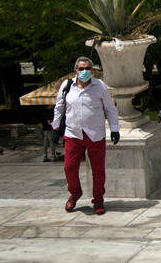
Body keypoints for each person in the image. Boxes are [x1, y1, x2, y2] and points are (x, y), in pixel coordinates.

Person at [52, 56, 120, 215]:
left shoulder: (99, 86)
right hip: (73, 133)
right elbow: (59, 107)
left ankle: (98, 200)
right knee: (69, 167)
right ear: (76, 70)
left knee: (98, 170)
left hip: (95, 134)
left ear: (92, 70)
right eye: (81, 69)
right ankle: (75, 193)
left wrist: (114, 129)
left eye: (88, 68)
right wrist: (55, 127)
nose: (84, 72)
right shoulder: (67, 85)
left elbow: (110, 108)